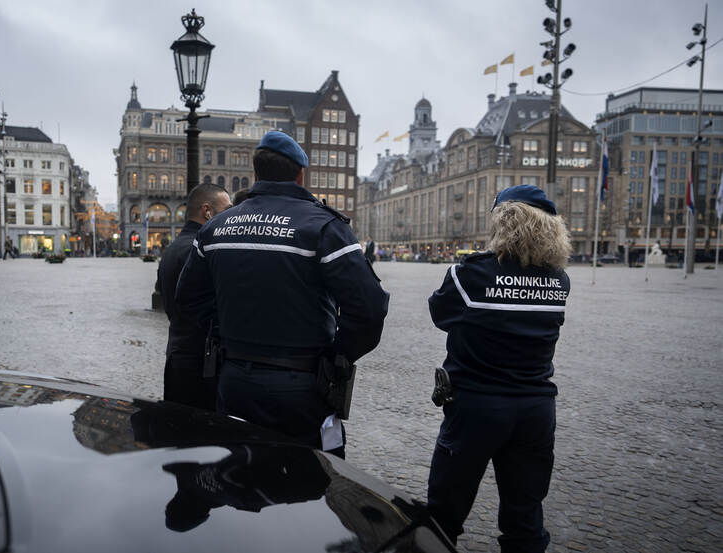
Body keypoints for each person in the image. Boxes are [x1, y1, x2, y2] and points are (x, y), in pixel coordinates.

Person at [176, 131, 389, 458]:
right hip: (301, 386)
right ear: (301, 174)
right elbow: (370, 308)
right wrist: (337, 357)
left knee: (237, 472)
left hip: (233, 381)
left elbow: (188, 302)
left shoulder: (216, 228)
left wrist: (220, 338)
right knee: (313, 482)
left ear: (256, 174)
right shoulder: (324, 227)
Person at [426, 184, 572, 552]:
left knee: (443, 515)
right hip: (536, 409)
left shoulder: (471, 275)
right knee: (525, 519)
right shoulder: (559, 281)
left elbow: (440, 314)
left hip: (477, 407)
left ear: (503, 222)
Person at [158, 183, 232, 410]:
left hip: (177, 356)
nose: (231, 215)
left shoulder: (172, 248)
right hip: (201, 365)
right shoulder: (200, 250)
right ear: (207, 211)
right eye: (227, 209)